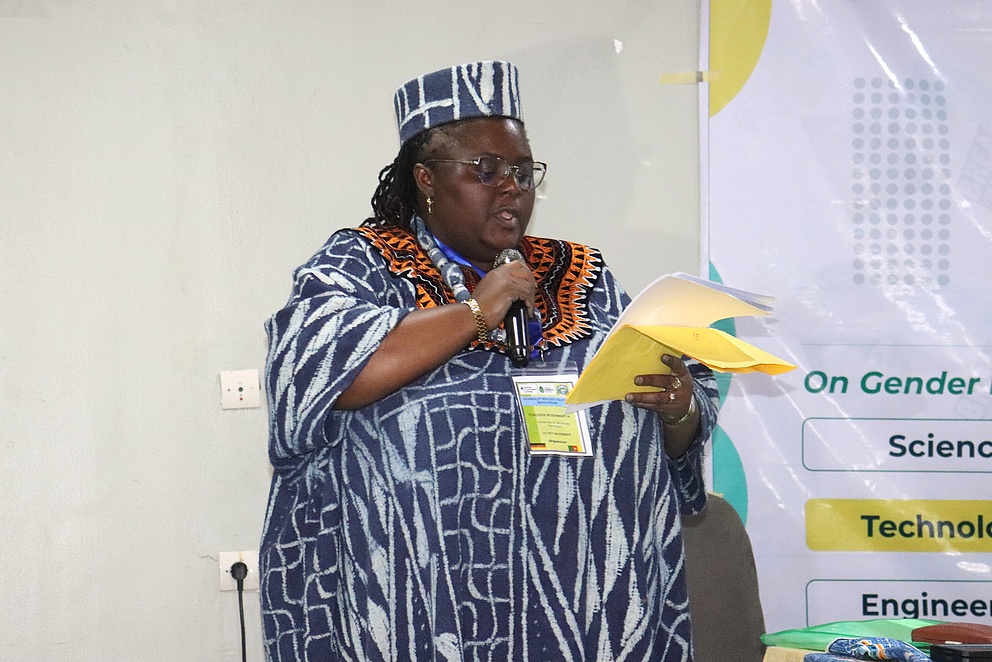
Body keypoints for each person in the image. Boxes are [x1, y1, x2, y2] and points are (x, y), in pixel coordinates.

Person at [259, 60, 720, 662]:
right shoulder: (365, 262)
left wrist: (678, 402)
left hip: (589, 612)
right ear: (425, 177)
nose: (512, 187)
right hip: (418, 611)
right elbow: (326, 376)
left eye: (524, 172)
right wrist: (478, 310)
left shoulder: (582, 273)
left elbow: (679, 430)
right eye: (486, 170)